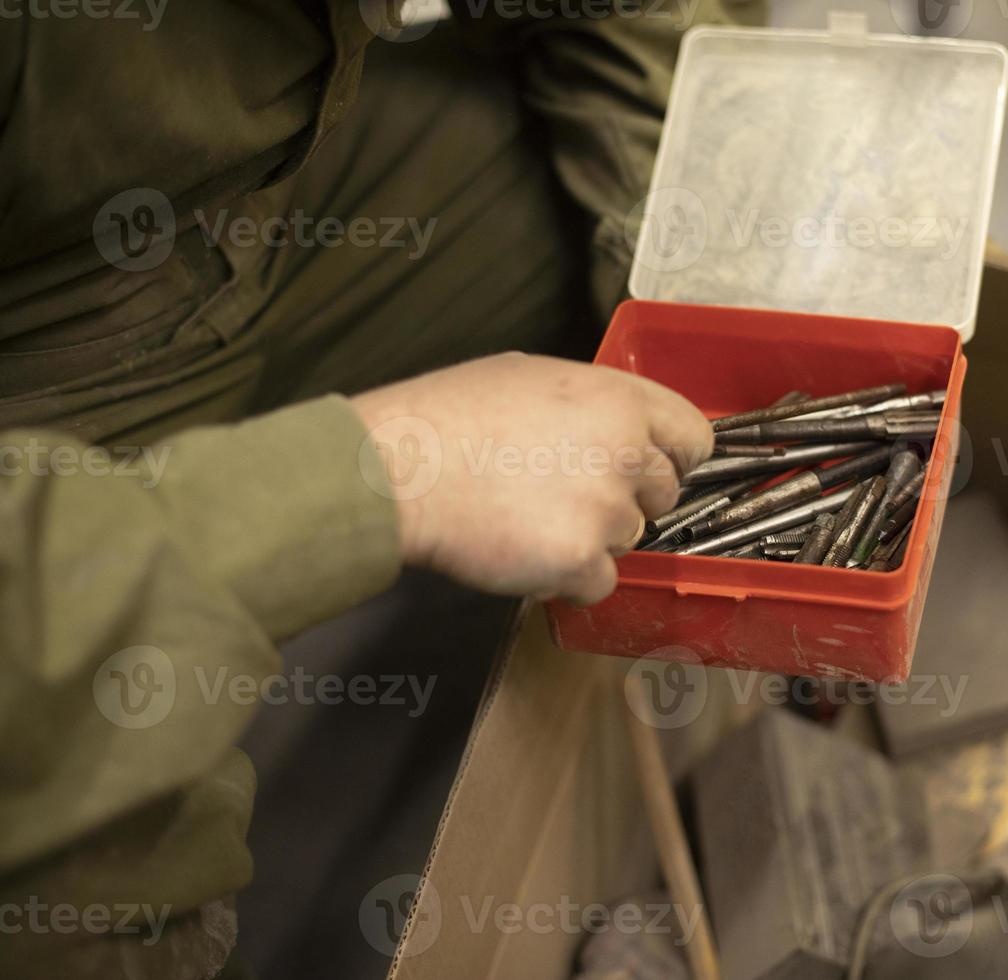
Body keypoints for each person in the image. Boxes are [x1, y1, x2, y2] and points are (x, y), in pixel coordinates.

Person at [0, 1, 765, 975]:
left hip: (216, 190)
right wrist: (390, 472)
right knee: (120, 911)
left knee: (569, 241)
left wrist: (673, 288)